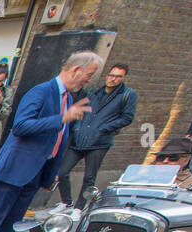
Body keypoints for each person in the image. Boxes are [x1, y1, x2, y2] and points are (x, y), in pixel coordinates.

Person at [0, 50, 102, 232]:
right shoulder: (42, 91)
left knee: (11, 225)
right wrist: (61, 118)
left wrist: (51, 172)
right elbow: (20, 126)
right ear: (77, 70)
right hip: (14, 170)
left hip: (34, 173)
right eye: (89, 75)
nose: (88, 81)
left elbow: (59, 139)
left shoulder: (69, 100)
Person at [55, 62, 136, 210]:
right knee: (62, 171)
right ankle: (67, 202)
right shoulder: (94, 93)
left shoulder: (127, 95)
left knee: (89, 178)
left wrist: (103, 129)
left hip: (99, 142)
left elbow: (127, 118)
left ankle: (79, 208)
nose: (113, 79)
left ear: (123, 78)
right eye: (111, 75)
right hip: (80, 139)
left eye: (118, 77)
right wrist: (77, 128)